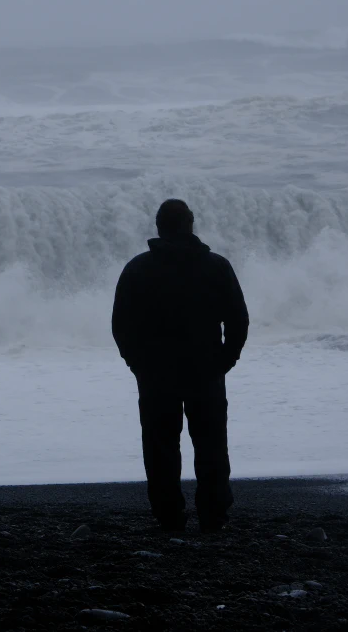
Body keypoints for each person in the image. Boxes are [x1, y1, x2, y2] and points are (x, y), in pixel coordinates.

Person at [111, 199, 249, 533]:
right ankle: (213, 515)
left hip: (156, 373)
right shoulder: (216, 267)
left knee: (160, 447)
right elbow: (238, 319)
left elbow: (121, 325)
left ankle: (169, 515)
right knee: (211, 444)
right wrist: (226, 359)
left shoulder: (138, 269)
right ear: (191, 224)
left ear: (158, 227)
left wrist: (137, 363)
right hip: (206, 369)